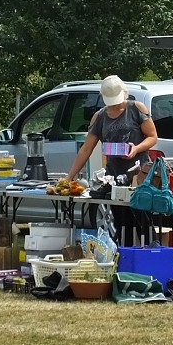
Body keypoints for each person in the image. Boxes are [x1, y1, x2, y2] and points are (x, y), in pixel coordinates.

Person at [66, 76, 159, 245]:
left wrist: (136, 148)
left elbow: (153, 137)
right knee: (122, 224)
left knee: (144, 223)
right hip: (114, 178)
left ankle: (151, 256)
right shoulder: (100, 117)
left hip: (139, 178)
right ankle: (125, 260)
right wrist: (69, 177)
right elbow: (86, 148)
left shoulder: (136, 108)